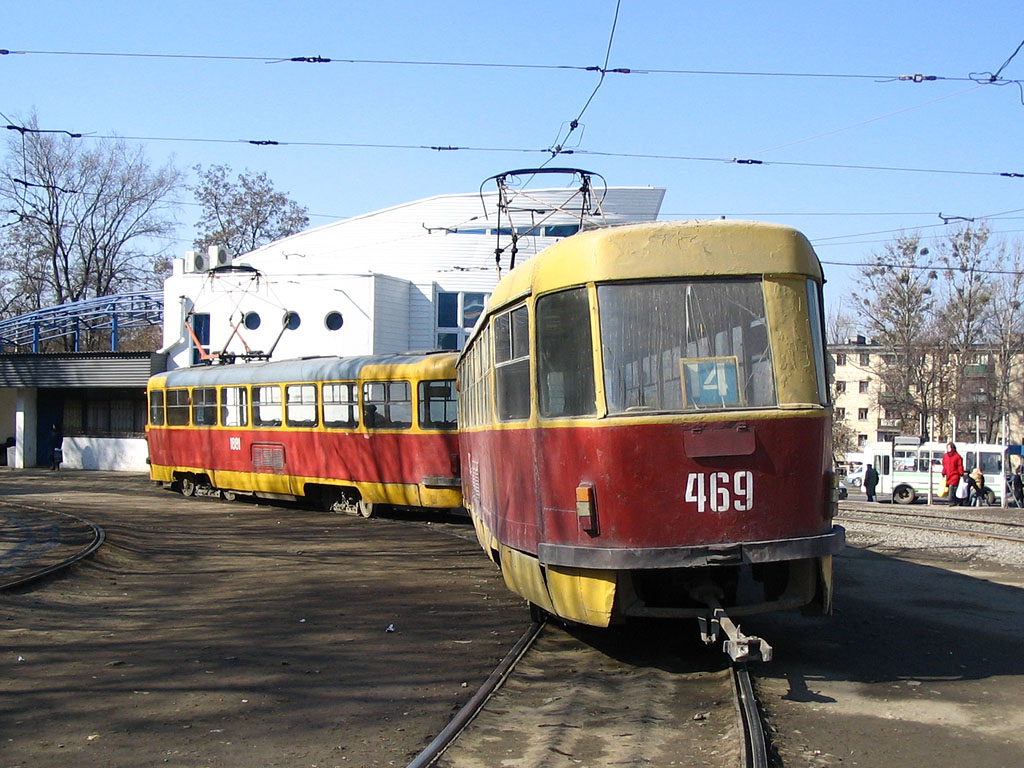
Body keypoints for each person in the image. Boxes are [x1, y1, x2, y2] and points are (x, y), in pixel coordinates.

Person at [942, 442, 965, 507]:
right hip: (948, 475)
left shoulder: (957, 456)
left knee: (952, 487)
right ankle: (956, 501)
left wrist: (961, 473)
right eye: (948, 447)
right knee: (951, 488)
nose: (949, 449)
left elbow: (959, 465)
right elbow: (944, 465)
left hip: (955, 475)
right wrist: (943, 472)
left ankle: (951, 501)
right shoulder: (945, 456)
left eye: (950, 447)